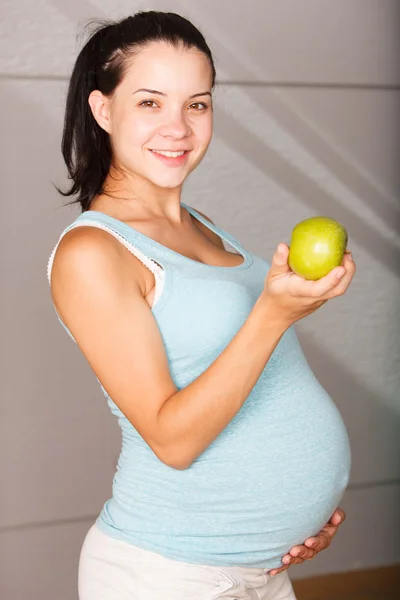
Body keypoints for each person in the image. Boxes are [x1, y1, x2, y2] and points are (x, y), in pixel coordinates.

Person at [46, 11, 356, 600]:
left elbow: (264, 386)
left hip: (259, 569)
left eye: (197, 103)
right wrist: (274, 313)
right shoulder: (92, 252)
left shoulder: (203, 228)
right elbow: (173, 439)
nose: (179, 127)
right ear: (103, 109)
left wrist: (297, 511)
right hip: (170, 574)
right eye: (150, 103)